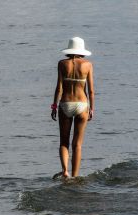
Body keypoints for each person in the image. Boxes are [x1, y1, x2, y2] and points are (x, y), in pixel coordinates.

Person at [51, 37, 95, 179]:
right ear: (82, 50)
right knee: (77, 144)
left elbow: (59, 88)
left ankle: (65, 171)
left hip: (65, 104)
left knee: (64, 142)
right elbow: (91, 91)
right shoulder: (88, 65)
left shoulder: (62, 64)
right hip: (82, 105)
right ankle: (75, 177)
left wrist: (54, 106)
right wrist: (92, 108)